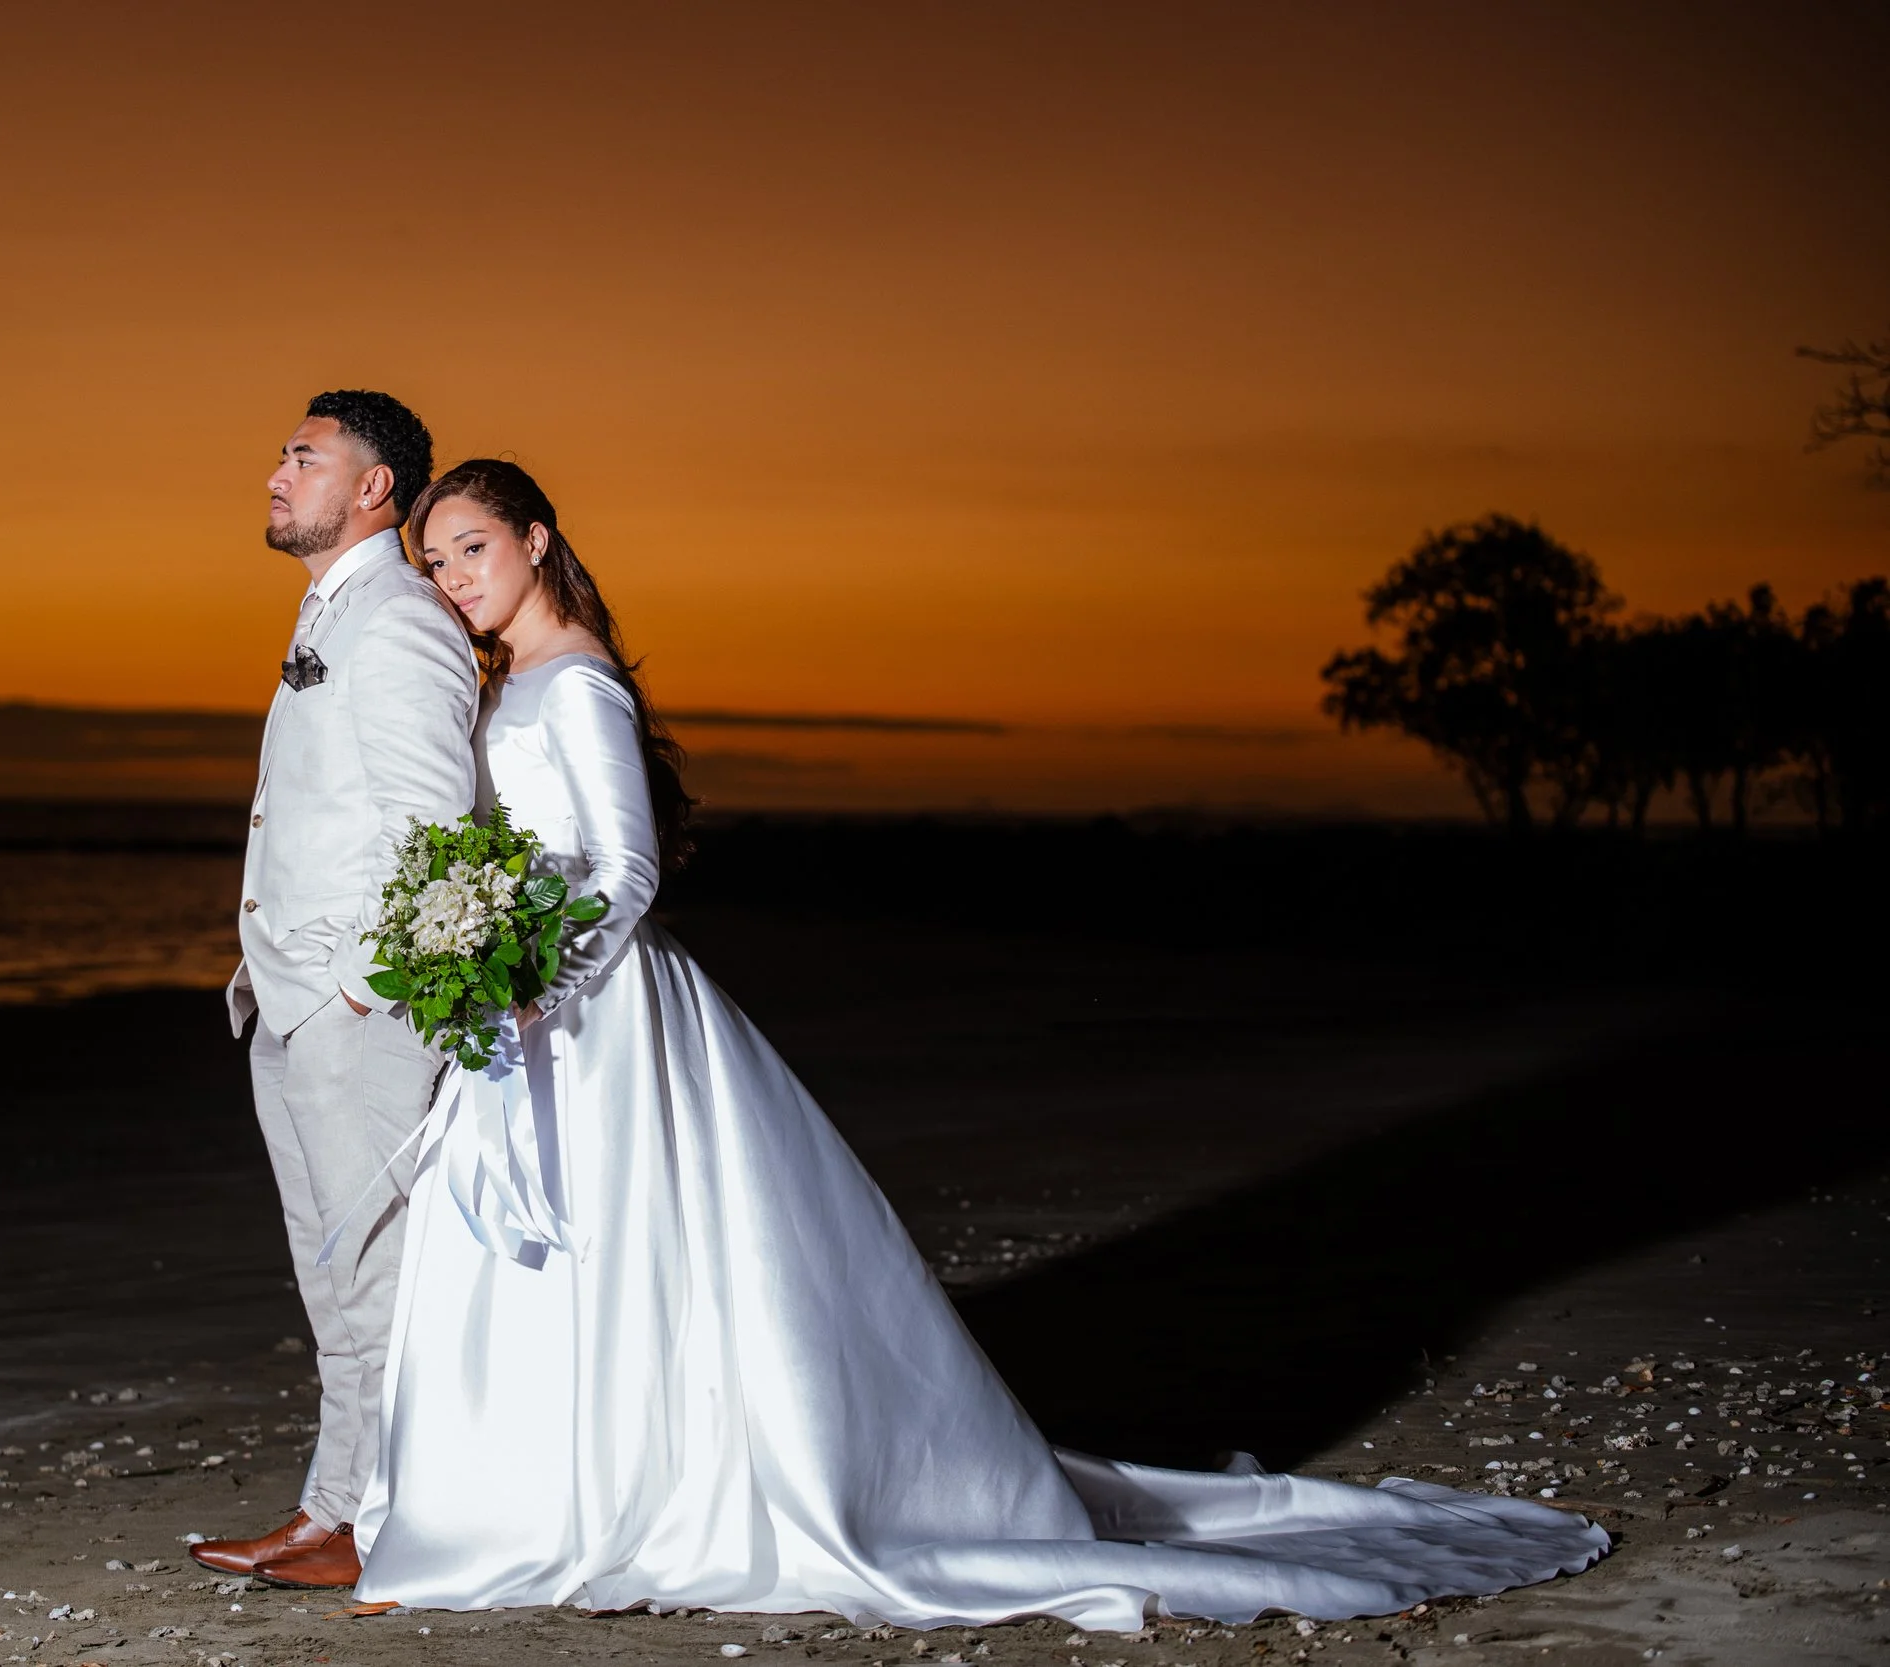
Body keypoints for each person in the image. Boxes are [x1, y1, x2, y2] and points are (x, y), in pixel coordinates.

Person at [345, 458, 1609, 1630]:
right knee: (536, 1253)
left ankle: (634, 1497)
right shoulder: (510, 679)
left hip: (594, 1004)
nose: (454, 576)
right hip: (531, 1000)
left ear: (536, 540)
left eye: (471, 548)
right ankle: (525, 1497)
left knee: (627, 1248)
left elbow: (621, 868)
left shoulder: (577, 680)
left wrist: (533, 981)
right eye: (438, 560)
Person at [189, 392, 478, 1590]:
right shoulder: (335, 612)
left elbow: (435, 824)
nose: (275, 471)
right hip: (287, 996)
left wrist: (361, 986)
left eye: (302, 456)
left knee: (372, 1270)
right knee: (333, 1274)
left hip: (352, 1009)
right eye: (280, 452)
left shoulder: (400, 621)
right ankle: (331, 1508)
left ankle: (378, 1517)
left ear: (372, 489)